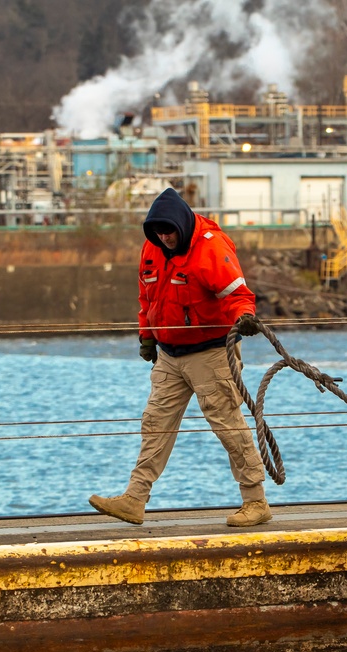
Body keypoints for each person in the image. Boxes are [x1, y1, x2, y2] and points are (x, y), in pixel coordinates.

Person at [89, 188, 271, 528]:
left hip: (212, 352)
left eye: (169, 231)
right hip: (170, 354)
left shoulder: (211, 247)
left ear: (182, 226)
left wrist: (245, 316)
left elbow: (238, 294)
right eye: (158, 232)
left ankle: (255, 501)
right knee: (155, 424)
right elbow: (147, 297)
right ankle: (135, 498)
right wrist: (146, 336)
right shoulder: (152, 248)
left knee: (227, 425)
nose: (164, 237)